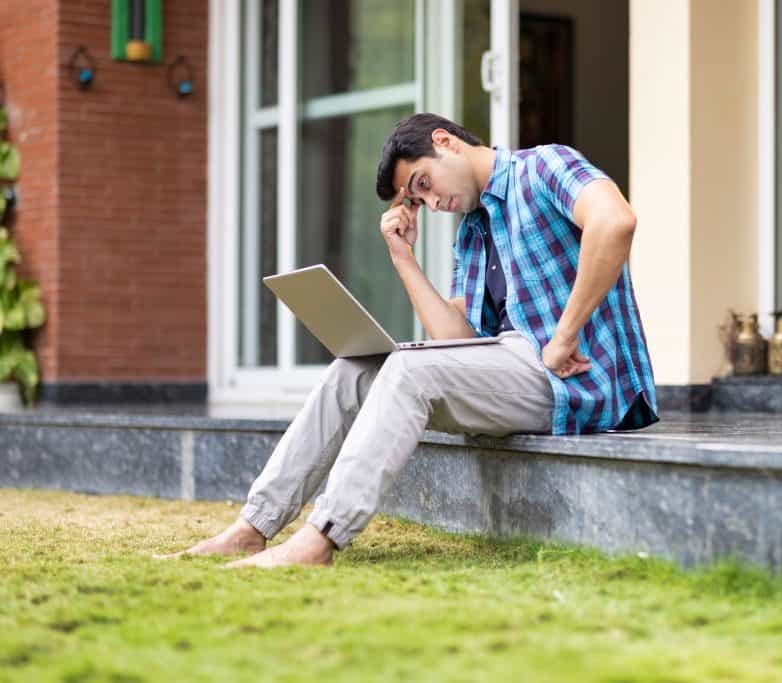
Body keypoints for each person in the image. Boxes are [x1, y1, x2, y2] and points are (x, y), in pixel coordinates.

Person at [156, 113, 658, 568]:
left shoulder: (545, 165)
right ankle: (254, 526)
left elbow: (616, 222)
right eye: (418, 200)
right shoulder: (473, 232)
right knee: (355, 368)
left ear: (445, 142)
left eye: (424, 183)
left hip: (580, 380)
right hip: (519, 372)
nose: (432, 203)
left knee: (409, 369)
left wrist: (564, 335)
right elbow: (454, 341)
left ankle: (320, 540)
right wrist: (402, 258)